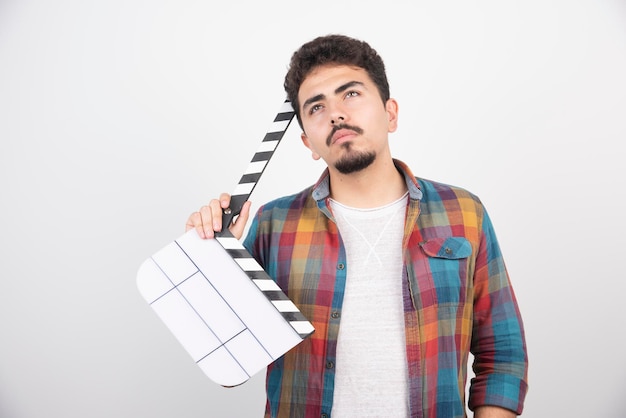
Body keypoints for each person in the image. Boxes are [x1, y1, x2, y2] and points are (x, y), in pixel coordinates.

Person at [186, 34, 528, 418]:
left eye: (350, 94)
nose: (335, 114)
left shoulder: (464, 213)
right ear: (308, 142)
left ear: (391, 113)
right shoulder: (273, 224)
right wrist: (214, 262)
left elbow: (504, 355)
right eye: (316, 107)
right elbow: (232, 363)